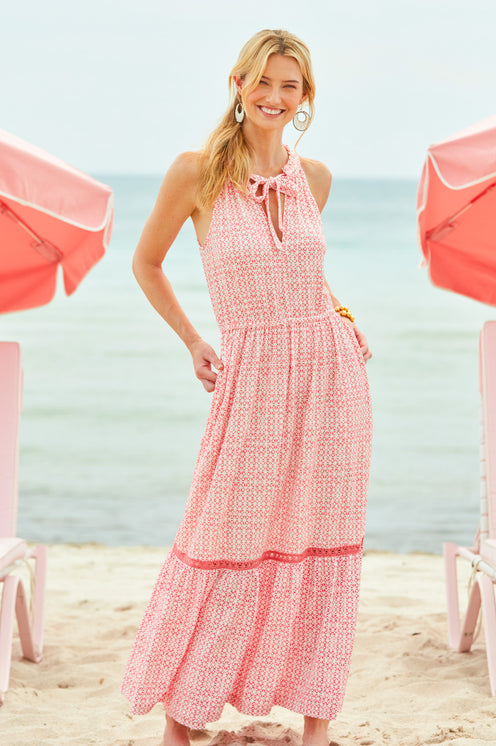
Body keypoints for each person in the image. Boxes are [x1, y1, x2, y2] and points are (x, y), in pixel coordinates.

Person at [120, 28, 373, 746]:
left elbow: (304, 274)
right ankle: (183, 716)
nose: (274, 96)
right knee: (224, 538)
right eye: (263, 81)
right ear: (238, 84)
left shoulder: (313, 178)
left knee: (324, 541)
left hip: (330, 376)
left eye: (289, 85)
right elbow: (146, 263)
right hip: (251, 376)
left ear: (305, 97)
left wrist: (345, 317)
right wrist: (196, 342)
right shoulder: (194, 173)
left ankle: (316, 722)